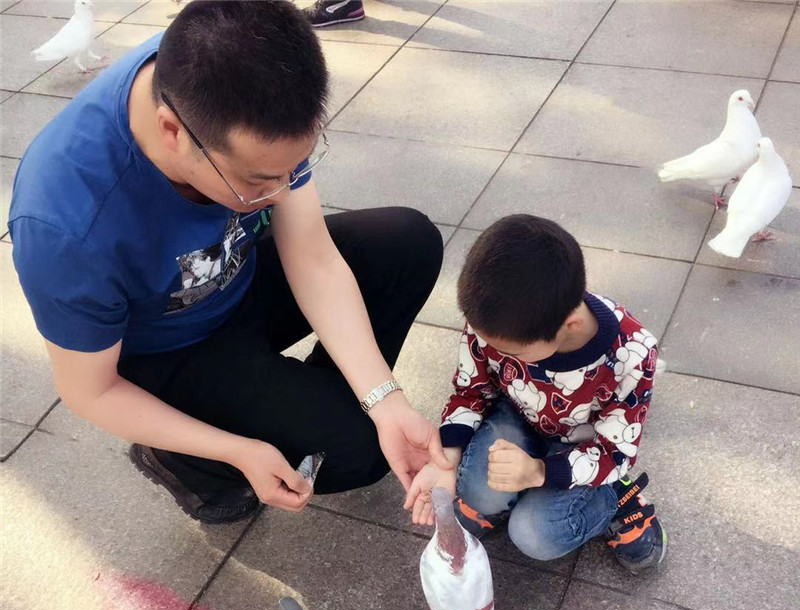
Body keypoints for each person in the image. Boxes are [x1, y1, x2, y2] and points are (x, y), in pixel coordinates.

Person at [9, 0, 450, 525]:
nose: (282, 192)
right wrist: (235, 449)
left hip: (236, 274)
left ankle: (314, 410)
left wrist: (385, 401)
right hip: (168, 350)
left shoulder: (238, 73)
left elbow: (312, 255)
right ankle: (189, 461)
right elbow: (90, 390)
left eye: (293, 167)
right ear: (172, 131)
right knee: (361, 453)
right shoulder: (66, 225)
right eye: (258, 180)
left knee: (408, 242)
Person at [404, 214, 667, 573]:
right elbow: (471, 391)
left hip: (587, 446)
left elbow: (615, 450)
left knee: (535, 535)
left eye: (513, 353)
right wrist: (445, 460)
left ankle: (613, 499)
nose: (495, 352)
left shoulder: (632, 354)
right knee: (478, 493)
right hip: (518, 417)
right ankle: (510, 494)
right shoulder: (496, 318)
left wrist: (539, 472)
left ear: (570, 325)